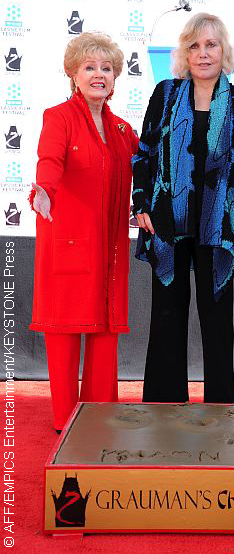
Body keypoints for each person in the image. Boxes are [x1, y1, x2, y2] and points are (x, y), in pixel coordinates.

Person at [132, 12, 234, 404]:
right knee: (168, 316)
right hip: (167, 221)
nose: (203, 53)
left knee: (218, 318)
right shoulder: (166, 93)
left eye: (211, 45)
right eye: (194, 46)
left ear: (224, 51)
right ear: (184, 54)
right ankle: (162, 404)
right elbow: (144, 153)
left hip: (222, 224)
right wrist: (141, 204)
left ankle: (221, 407)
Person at [30, 32, 139, 432]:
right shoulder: (58, 117)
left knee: (105, 330)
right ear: (73, 74)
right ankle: (65, 419)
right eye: (90, 67)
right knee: (63, 333)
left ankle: (98, 415)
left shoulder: (124, 130)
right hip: (70, 241)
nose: (99, 75)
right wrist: (44, 190)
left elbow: (144, 173)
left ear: (115, 78)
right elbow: (50, 160)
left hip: (108, 248)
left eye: (106, 68)